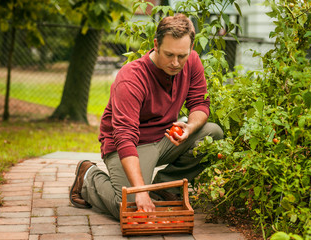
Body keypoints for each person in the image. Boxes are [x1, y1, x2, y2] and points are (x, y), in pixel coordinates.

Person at [69, 13, 223, 219]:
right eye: (169, 55)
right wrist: (140, 193)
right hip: (131, 145)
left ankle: (163, 187)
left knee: (213, 134)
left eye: (182, 56)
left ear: (191, 50)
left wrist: (190, 127)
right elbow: (124, 136)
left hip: (165, 137)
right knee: (129, 206)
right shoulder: (131, 78)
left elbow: (199, 103)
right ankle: (88, 176)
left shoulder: (192, 61)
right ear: (156, 45)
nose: (176, 63)